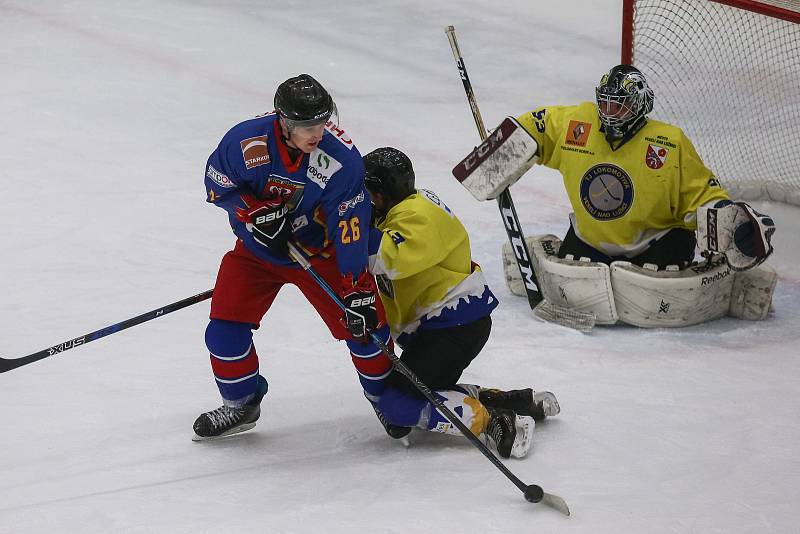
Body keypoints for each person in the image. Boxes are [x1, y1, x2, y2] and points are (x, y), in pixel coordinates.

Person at [193, 74, 393, 440]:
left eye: (322, 120)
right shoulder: (245, 142)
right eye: (306, 126)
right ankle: (241, 403)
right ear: (283, 121)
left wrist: (356, 288)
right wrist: (251, 212)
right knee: (222, 331)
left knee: (365, 327)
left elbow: (350, 229)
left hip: (322, 253)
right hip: (259, 253)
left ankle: (388, 397)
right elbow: (216, 184)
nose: (317, 132)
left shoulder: (340, 160)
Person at [363, 147, 560, 459]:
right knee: (419, 391)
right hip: (444, 326)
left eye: (368, 193)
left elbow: (385, 258)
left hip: (453, 329)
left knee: (396, 407)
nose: (364, 200)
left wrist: (341, 226)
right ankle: (504, 400)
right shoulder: (399, 207)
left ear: (383, 192)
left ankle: (496, 421)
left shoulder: (417, 216)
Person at [510, 64, 775, 270]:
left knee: (657, 274)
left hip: (656, 242)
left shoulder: (668, 142)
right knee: (570, 269)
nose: (610, 112)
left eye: (619, 105)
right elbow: (541, 126)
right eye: (605, 103)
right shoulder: (580, 122)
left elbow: (701, 193)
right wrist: (505, 146)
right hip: (590, 239)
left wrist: (734, 222)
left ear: (638, 104)